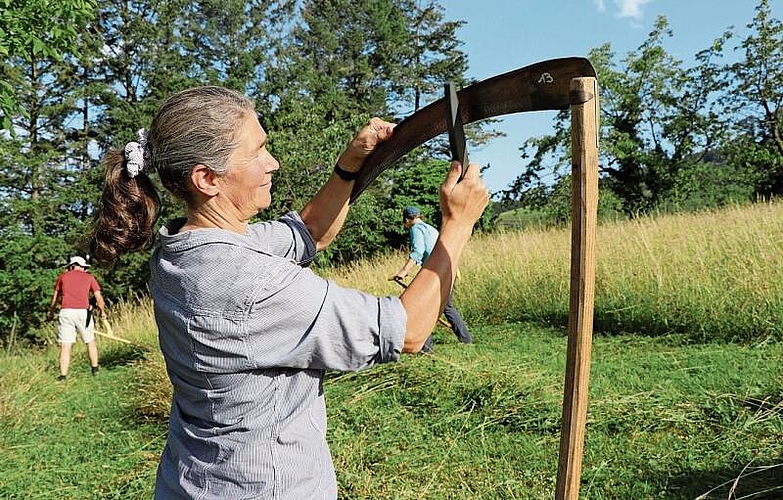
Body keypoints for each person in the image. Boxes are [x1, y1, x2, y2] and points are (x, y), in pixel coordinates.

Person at [90, 86, 488, 499]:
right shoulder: (248, 281)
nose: (273, 163)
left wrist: (349, 165)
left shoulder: (181, 251)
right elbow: (407, 330)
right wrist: (457, 225)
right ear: (207, 178)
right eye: (258, 151)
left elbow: (309, 232)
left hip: (194, 484)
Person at [392, 206, 474, 351]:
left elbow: (418, 251)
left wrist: (403, 271)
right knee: (446, 306)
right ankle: (465, 339)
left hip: (435, 273)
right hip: (450, 270)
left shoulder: (416, 229)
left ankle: (426, 345)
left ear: (406, 220)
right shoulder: (430, 228)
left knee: (423, 307)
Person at [48, 255, 108, 380]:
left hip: (66, 312)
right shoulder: (90, 277)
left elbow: (55, 299)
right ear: (82, 267)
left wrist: (51, 313)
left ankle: (63, 375)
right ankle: (95, 369)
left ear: (71, 266)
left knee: (66, 345)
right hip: (83, 313)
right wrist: (102, 312)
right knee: (90, 341)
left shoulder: (62, 277)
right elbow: (99, 298)